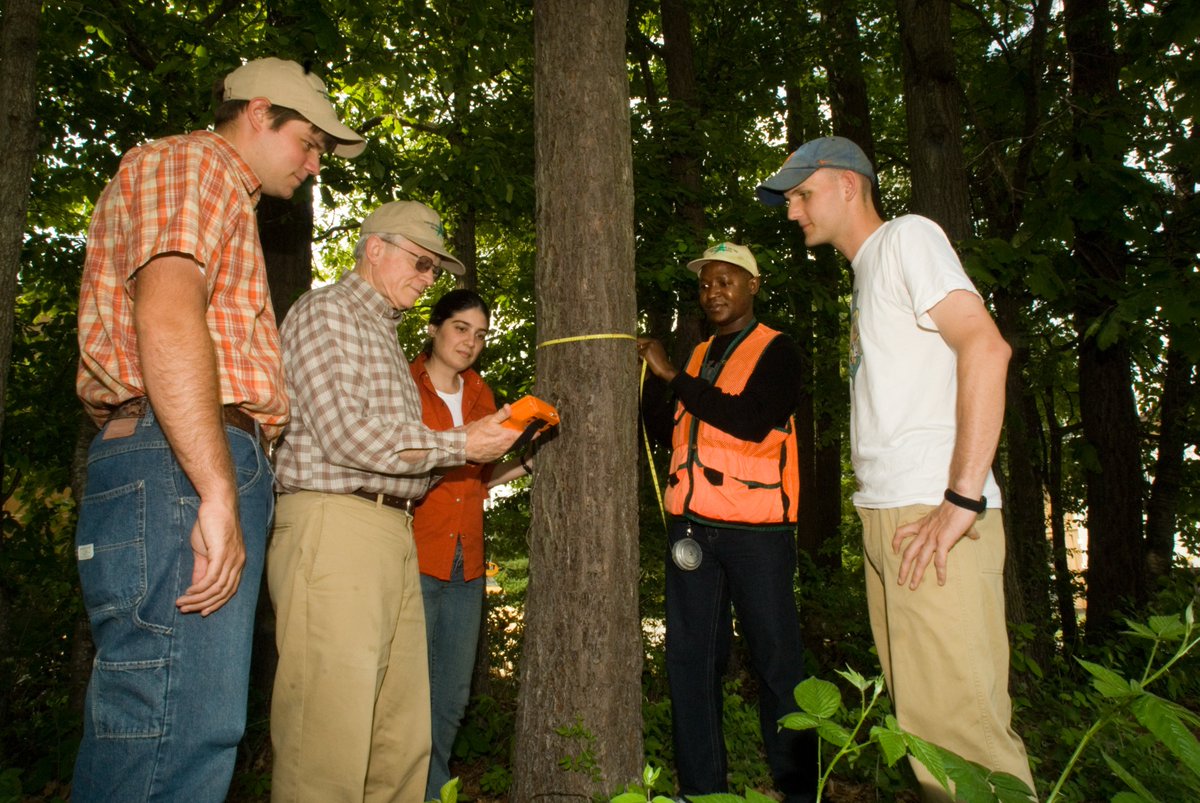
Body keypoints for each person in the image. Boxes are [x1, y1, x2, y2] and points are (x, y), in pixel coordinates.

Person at [72, 57, 364, 803]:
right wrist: (215, 490)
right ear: (259, 112)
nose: (312, 164)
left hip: (179, 457)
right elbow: (167, 312)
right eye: (307, 143)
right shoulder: (193, 163)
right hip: (180, 461)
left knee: (172, 724)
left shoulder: (220, 195)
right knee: (175, 726)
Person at [756, 136, 1036, 800]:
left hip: (931, 512)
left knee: (966, 741)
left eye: (801, 194)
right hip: (891, 516)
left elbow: (986, 347)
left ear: (847, 184)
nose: (793, 211)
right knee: (927, 737)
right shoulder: (869, 271)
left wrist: (961, 498)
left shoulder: (908, 237)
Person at [269, 201, 522, 803]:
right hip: (335, 525)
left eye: (435, 269)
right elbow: (347, 437)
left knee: (400, 736)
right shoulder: (327, 312)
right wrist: (465, 441)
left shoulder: (381, 332)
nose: (429, 278)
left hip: (391, 531)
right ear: (374, 247)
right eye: (422, 262)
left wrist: (491, 449)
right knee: (327, 738)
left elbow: (409, 457)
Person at [637, 242, 817, 803]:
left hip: (758, 536)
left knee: (777, 666)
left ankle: (799, 792)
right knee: (690, 663)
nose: (712, 292)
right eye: (706, 284)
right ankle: (701, 791)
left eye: (725, 282)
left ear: (752, 287)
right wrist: (652, 381)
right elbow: (670, 432)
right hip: (692, 529)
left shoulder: (779, 351)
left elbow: (749, 421)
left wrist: (673, 375)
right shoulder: (697, 356)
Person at [408, 289, 530, 800]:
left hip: (466, 561)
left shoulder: (482, 394)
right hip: (411, 552)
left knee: (452, 695)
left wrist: (525, 463)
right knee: (403, 692)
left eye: (480, 334)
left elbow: (474, 478)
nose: (471, 341)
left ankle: (433, 792)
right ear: (435, 328)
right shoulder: (401, 384)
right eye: (461, 328)